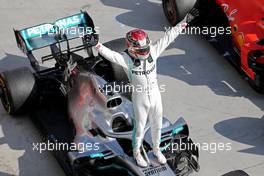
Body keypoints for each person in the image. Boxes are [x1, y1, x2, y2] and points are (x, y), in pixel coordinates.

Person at [93, 10, 198, 167]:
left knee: (157, 124)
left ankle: (156, 150)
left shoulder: (153, 51)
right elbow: (109, 54)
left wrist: (186, 20)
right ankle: (137, 153)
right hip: (139, 98)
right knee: (140, 127)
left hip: (156, 95)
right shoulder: (125, 59)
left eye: (145, 48)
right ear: (131, 48)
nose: (145, 52)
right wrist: (96, 44)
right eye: (141, 50)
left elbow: (169, 36)